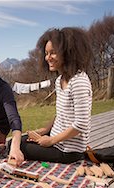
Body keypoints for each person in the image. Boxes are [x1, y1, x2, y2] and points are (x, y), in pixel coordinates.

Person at [19, 27, 93, 164]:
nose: (48, 58)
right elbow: (61, 114)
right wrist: (45, 131)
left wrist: (50, 140)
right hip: (56, 141)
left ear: (68, 53)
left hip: (68, 151)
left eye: (53, 53)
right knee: (17, 141)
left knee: (19, 146)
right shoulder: (60, 80)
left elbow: (81, 124)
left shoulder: (79, 82)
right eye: (46, 53)